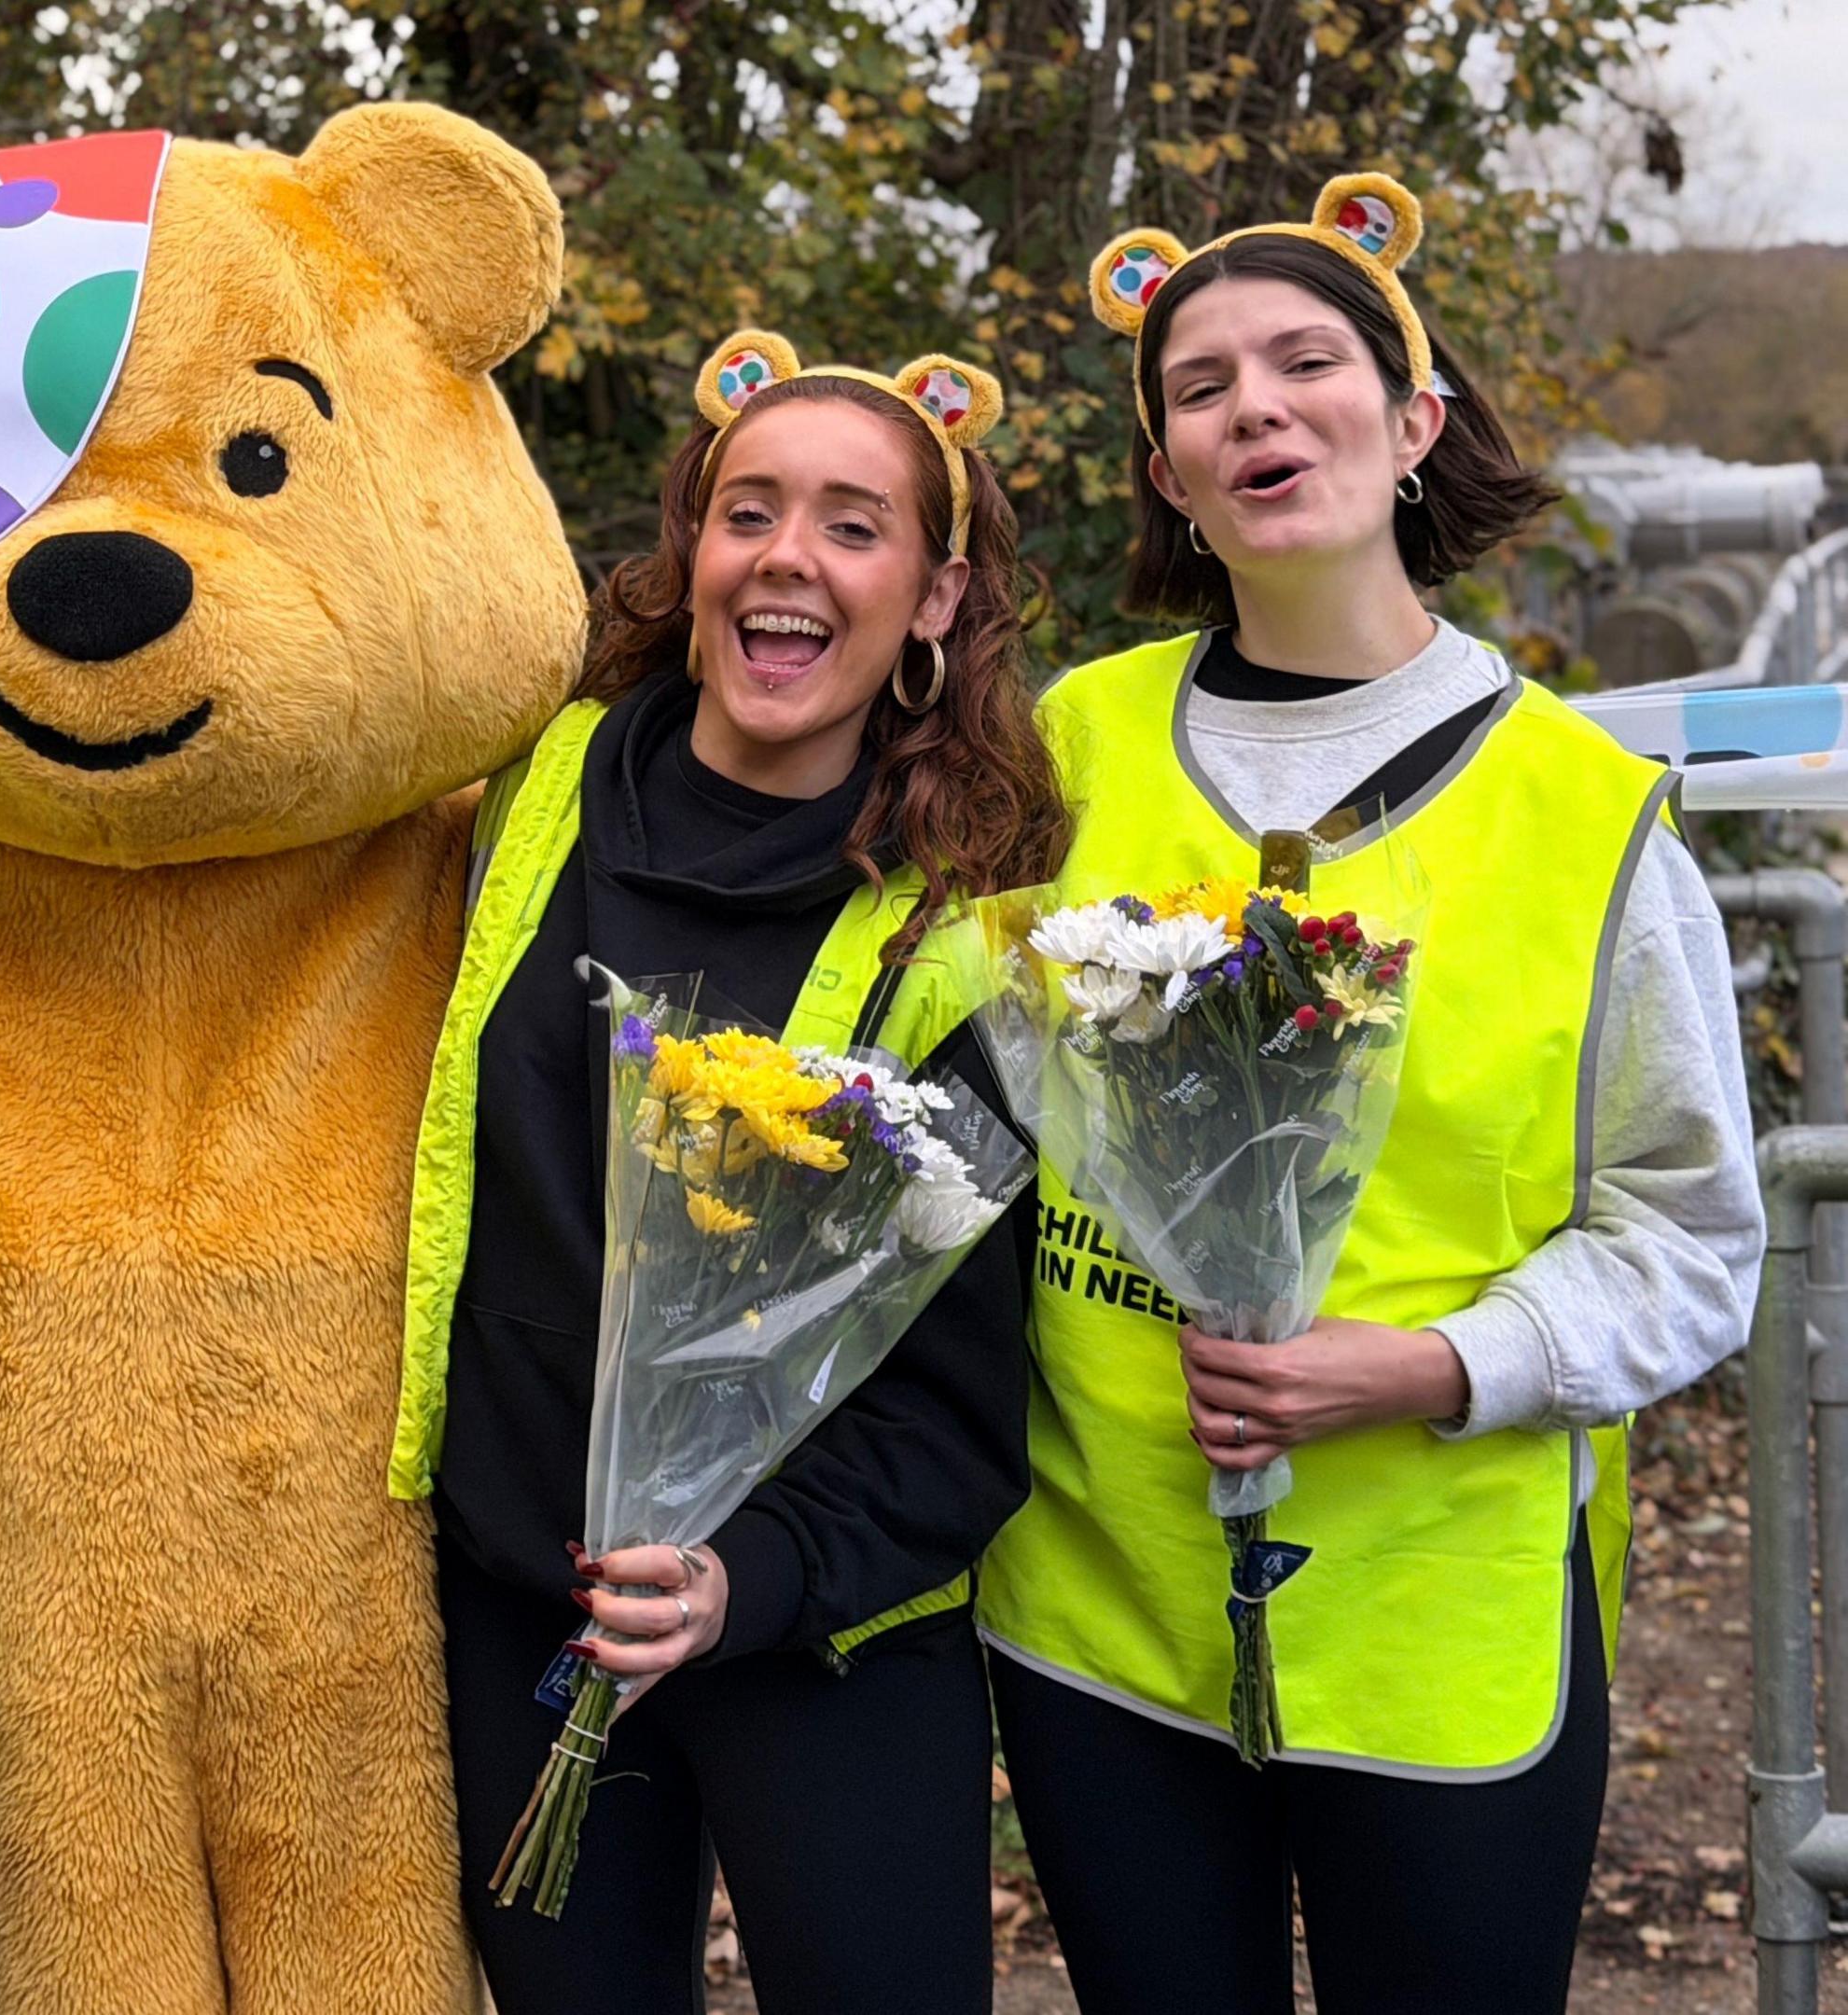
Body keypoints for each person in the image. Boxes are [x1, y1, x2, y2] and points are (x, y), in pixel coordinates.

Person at [973, 174, 1760, 2015]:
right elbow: (969, 1095)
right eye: (1200, 386)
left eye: (1306, 362)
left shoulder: (1585, 816)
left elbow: (1691, 1238)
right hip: (1103, 1608)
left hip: (1439, 1618)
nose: (1254, 405)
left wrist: (1430, 1367)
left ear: (1414, 424)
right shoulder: (1070, 744)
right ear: (1168, 478)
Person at [393, 332, 1064, 2014]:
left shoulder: (962, 928)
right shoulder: (524, 789)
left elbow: (964, 1403)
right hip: (523, 1600)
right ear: (692, 550)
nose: (786, 556)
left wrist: (737, 1582)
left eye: (853, 525)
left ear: (934, 596)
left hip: (822, 1631)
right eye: (746, 511)